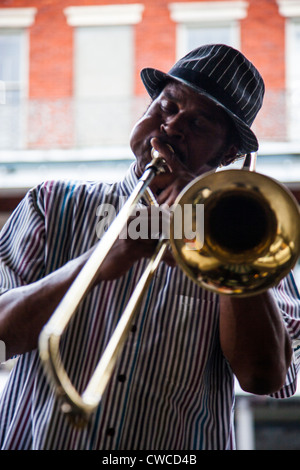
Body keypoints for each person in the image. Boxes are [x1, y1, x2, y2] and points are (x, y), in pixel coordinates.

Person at [0, 44, 299, 450]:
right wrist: (101, 260)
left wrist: (232, 250)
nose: (172, 126)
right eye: (167, 107)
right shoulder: (51, 204)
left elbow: (265, 378)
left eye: (198, 124)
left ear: (228, 153)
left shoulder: (254, 235)